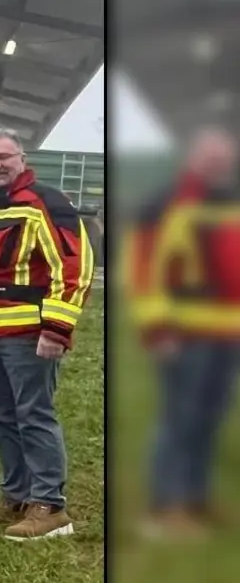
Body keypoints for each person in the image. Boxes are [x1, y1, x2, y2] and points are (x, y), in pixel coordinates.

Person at [0, 127, 93, 540]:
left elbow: (73, 266)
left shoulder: (46, 202)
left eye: (3, 157)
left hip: (28, 337)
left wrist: (57, 327)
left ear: (22, 158)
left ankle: (49, 506)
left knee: (34, 416)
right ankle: (16, 496)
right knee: (2, 417)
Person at [125, 125, 240, 540]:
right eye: (211, 159)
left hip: (228, 334)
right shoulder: (165, 203)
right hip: (184, 334)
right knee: (179, 419)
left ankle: (195, 497)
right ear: (193, 158)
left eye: (224, 160)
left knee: (210, 419)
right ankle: (166, 506)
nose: (218, 166)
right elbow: (141, 270)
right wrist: (156, 328)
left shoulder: (229, 201)